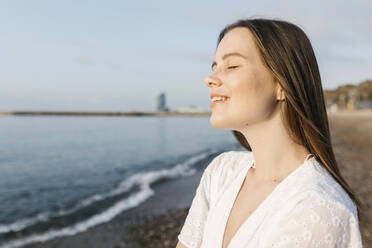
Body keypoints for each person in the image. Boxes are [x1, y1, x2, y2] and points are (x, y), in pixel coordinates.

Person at [176, 18, 364, 248]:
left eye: (232, 66)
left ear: (282, 84)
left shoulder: (317, 207)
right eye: (214, 67)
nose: (210, 79)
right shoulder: (221, 172)